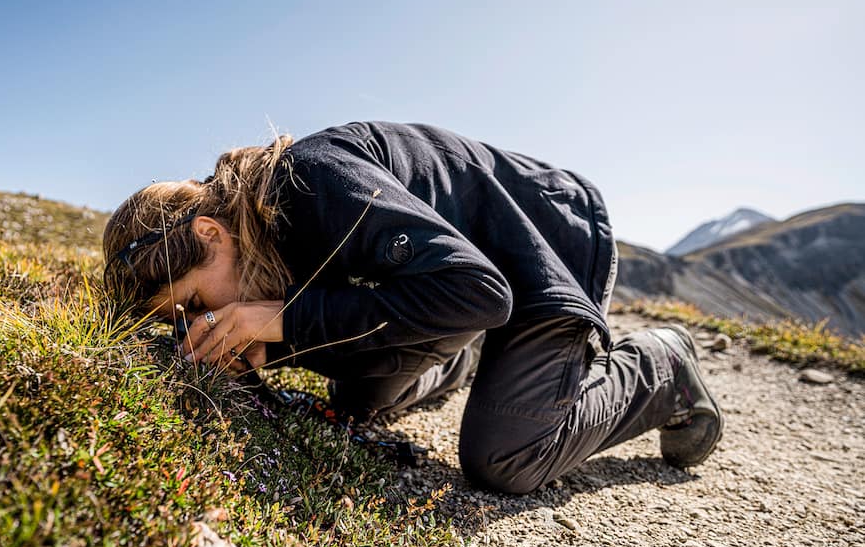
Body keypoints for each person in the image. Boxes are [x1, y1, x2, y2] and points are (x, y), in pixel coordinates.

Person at [102, 121, 724, 494]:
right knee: (361, 398)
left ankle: (660, 367)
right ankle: (457, 365)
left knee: (505, 458)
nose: (196, 322)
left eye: (188, 304)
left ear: (210, 234)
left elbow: (480, 293)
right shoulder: (261, 236)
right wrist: (283, 341)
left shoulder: (312, 181)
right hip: (463, 280)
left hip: (549, 244)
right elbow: (382, 302)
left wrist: (284, 319)